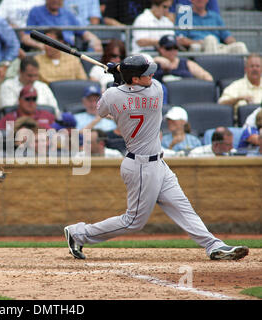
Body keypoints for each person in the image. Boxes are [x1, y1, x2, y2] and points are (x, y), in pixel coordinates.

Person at [63, 54, 249, 261]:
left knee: (183, 207)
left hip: (156, 163)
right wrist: (119, 73)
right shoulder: (156, 90)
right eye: (146, 74)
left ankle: (214, 246)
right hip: (141, 166)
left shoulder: (112, 95)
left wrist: (116, 78)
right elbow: (130, 89)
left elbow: (102, 108)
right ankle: (78, 233)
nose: (151, 75)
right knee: (133, 221)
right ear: (135, 79)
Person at [23, 0, 103, 53]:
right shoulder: (36, 11)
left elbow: (83, 32)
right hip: (45, 50)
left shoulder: (67, 13)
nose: (55, 1)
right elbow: (26, 37)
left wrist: (95, 40)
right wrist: (39, 46)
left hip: (68, 50)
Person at [175, 0, 248, 54]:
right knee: (210, 39)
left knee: (240, 46)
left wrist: (232, 41)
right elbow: (181, 39)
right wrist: (197, 42)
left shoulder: (214, 16)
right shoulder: (185, 15)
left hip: (218, 47)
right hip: (198, 49)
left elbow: (227, 37)